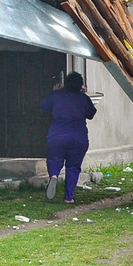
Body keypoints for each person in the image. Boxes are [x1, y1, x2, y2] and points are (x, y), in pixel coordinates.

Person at [39, 71, 97, 203]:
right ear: (80, 85)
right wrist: (82, 95)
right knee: (73, 167)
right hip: (78, 137)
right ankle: (69, 197)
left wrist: (54, 92)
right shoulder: (83, 98)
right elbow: (91, 114)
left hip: (57, 136)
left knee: (54, 159)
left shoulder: (56, 95)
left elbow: (42, 108)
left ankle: (54, 175)